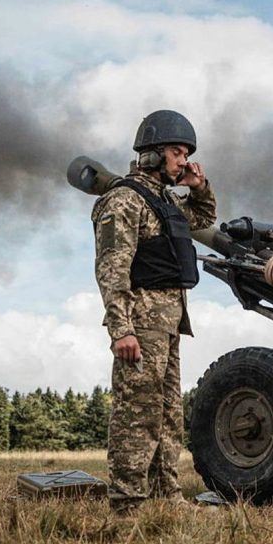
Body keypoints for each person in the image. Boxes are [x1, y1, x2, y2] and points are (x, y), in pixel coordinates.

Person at [90, 109, 217, 514]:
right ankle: (128, 502)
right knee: (137, 413)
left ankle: (166, 496)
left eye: (185, 154)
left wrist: (198, 187)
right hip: (141, 322)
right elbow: (112, 268)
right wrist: (121, 329)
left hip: (168, 323)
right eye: (177, 153)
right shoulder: (124, 200)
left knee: (166, 415)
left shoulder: (164, 202)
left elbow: (204, 218)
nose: (184, 161)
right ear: (152, 153)